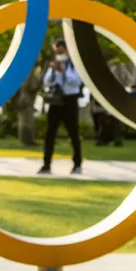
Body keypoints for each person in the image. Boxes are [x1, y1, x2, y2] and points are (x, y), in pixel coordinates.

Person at [39, 38, 83, 175]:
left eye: (61, 50)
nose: (59, 53)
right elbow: (46, 82)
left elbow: (77, 81)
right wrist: (53, 70)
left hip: (70, 100)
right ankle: (46, 164)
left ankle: (77, 164)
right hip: (55, 101)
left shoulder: (74, 64)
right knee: (50, 134)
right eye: (57, 51)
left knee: (73, 133)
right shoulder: (54, 64)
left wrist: (63, 71)